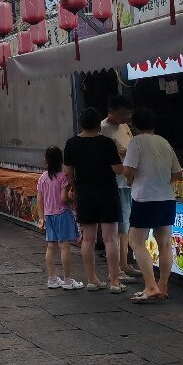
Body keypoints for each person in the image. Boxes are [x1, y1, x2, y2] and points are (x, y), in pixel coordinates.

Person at [123, 108, 183, 303]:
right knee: (164, 243)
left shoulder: (136, 142)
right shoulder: (164, 142)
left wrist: (132, 179)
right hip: (167, 198)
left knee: (136, 241)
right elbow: (178, 174)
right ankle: (163, 285)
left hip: (144, 198)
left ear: (134, 126)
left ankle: (150, 286)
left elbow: (128, 170)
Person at [63, 108, 125, 293]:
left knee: (88, 239)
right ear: (99, 124)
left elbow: (67, 172)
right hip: (107, 193)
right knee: (110, 239)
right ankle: (114, 281)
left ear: (81, 124)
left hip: (85, 194)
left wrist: (75, 187)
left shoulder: (71, 143)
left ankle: (92, 279)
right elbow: (118, 170)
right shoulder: (107, 143)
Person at [101, 94, 139, 282]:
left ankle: (124, 263)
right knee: (117, 226)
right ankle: (117, 268)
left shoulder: (124, 127)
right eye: (123, 114)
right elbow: (106, 156)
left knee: (126, 224)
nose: (126, 118)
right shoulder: (102, 129)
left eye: (128, 115)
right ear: (112, 111)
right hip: (114, 182)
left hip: (128, 181)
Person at [36, 146, 83, 290]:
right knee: (65, 247)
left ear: (46, 160)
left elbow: (39, 199)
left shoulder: (43, 177)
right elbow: (63, 199)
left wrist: (41, 217)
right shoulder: (63, 177)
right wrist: (73, 201)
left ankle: (52, 278)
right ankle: (67, 280)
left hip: (49, 216)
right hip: (62, 214)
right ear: (61, 160)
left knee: (51, 247)